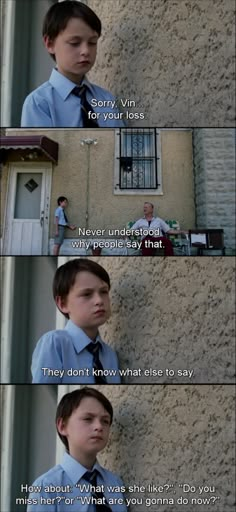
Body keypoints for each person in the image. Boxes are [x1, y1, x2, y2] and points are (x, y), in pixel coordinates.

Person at [21, 1, 125, 128]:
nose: (86, 51)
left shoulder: (106, 100)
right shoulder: (39, 103)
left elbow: (119, 144)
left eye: (92, 42)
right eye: (75, 43)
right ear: (50, 44)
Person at [27, 388, 128, 512]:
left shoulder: (115, 483)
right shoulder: (46, 487)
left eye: (105, 421)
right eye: (88, 419)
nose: (99, 426)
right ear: (62, 426)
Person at [31, 259, 121, 384]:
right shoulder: (56, 344)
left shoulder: (109, 355)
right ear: (62, 303)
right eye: (87, 294)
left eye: (104, 291)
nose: (99, 300)